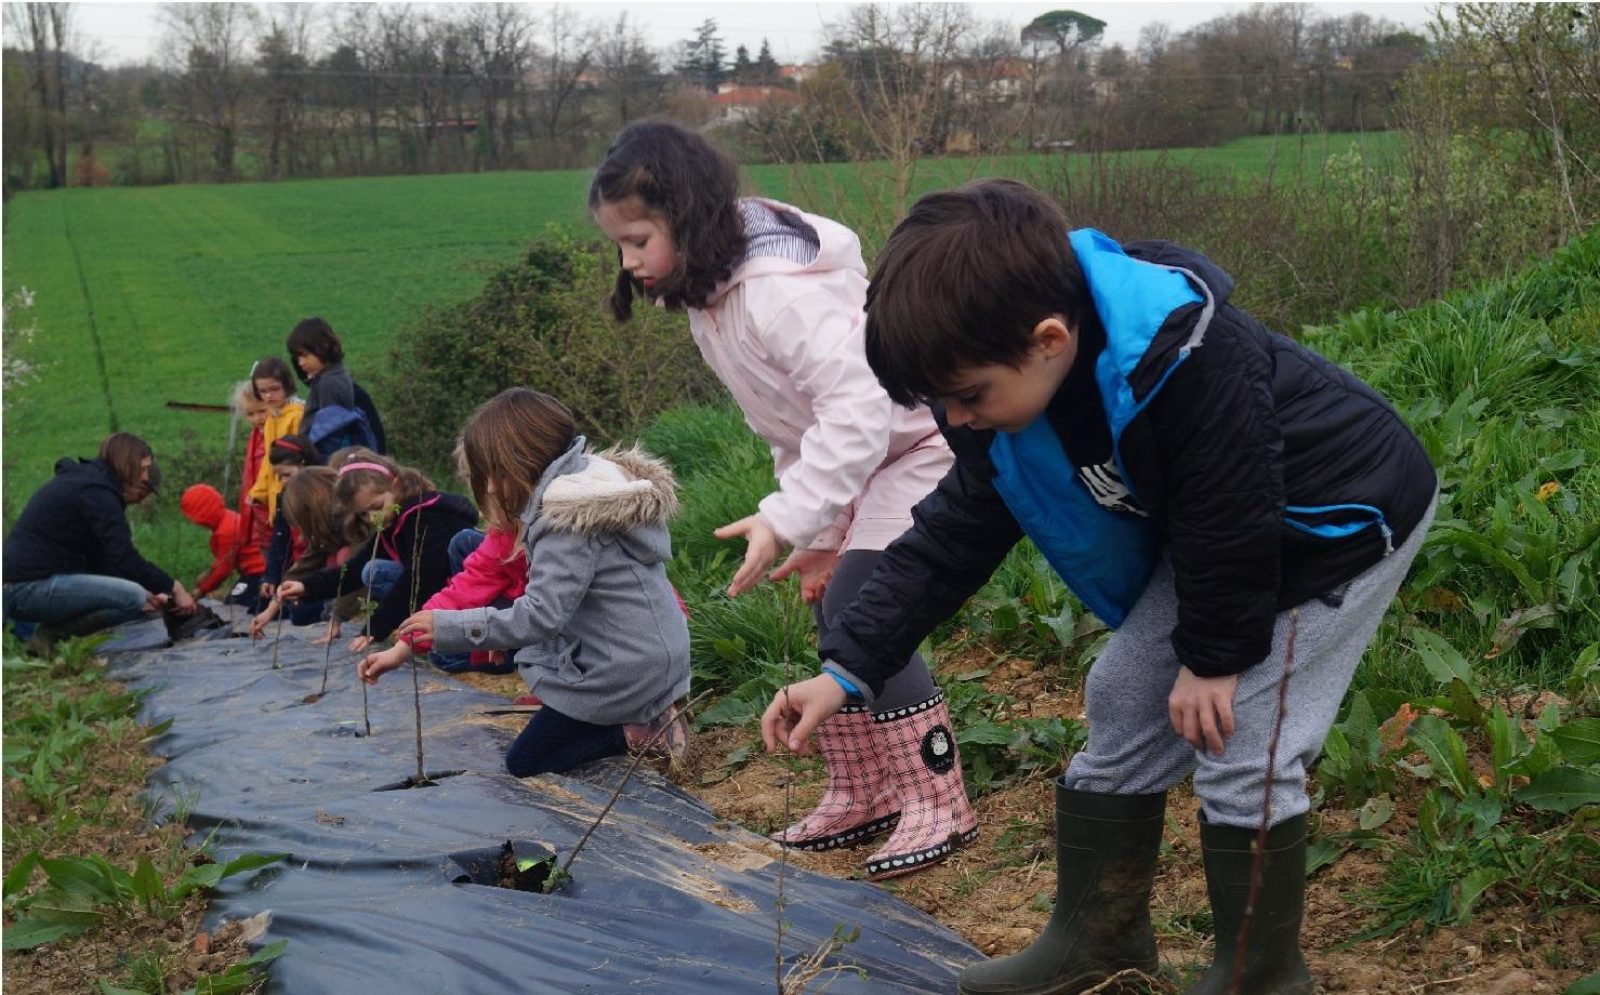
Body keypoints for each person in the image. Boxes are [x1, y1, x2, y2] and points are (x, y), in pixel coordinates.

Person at [759, 180, 1438, 995]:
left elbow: (1232, 509)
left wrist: (1213, 658)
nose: (955, 417)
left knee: (1242, 740)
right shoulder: (1007, 395)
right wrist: (846, 669)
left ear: (1049, 338)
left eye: (966, 395)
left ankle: (1259, 977)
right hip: (1219, 540)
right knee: (1120, 692)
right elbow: (951, 536)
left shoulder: (1187, 356)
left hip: (1335, 522)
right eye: (940, 399)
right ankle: (1097, 938)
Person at [591, 121, 975, 878]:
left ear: (687, 216)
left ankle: (940, 797)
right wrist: (822, 529)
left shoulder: (774, 293)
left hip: (917, 442)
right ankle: (864, 788)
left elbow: (862, 409)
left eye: (638, 239)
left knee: (873, 600)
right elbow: (789, 422)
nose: (629, 261)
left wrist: (786, 516)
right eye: (621, 246)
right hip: (857, 459)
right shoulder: (707, 302)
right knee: (833, 600)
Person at [358, 389, 691, 776]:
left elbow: (541, 617)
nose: (493, 489)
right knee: (527, 662)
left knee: (525, 761)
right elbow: (553, 602)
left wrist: (450, 628)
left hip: (625, 671)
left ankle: (638, 730)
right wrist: (420, 642)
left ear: (514, 466)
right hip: (654, 653)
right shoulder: (597, 484)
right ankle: (646, 709)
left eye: (491, 476)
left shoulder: (564, 521)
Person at [4, 433, 197, 653]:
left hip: (23, 584)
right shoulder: (97, 493)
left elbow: (104, 560)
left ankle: (46, 637)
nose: (145, 477)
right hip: (26, 588)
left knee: (137, 596)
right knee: (132, 598)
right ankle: (51, 635)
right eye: (142, 469)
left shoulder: (89, 484)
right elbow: (125, 557)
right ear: (126, 464)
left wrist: (150, 591)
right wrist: (174, 588)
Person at [276, 450, 477, 655]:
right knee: (371, 568)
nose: (372, 518)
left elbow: (418, 580)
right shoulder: (391, 524)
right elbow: (353, 569)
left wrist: (375, 627)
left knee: (378, 572)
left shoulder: (423, 517)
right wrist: (306, 586)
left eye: (376, 507)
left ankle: (450, 634)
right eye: (363, 514)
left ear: (396, 486)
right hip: (442, 590)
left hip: (468, 592)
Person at [286, 317, 380, 458]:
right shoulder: (333, 374)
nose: (300, 362)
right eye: (297, 357)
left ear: (321, 348)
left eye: (305, 355)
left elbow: (328, 431)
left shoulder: (328, 384)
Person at [179, 483, 265, 609]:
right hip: (253, 574)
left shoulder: (226, 530)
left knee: (235, 606)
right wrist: (208, 573)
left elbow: (223, 570)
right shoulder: (227, 518)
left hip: (259, 574)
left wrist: (201, 591)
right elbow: (222, 559)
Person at [245, 356, 304, 529]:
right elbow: (268, 460)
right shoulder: (272, 416)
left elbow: (296, 459)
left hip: (292, 496)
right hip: (275, 498)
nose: (269, 395)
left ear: (287, 385)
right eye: (263, 392)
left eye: (274, 389)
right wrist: (259, 491)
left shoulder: (297, 415)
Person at [232, 380, 272, 552]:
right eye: (250, 414)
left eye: (262, 411)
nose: (257, 418)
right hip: (258, 509)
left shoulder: (275, 434)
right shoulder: (255, 436)